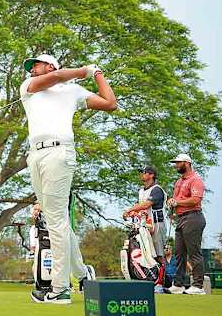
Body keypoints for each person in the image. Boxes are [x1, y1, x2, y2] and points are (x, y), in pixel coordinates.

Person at [20, 55, 116, 304]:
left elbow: (110, 103)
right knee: (56, 219)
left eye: (36, 65)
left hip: (59, 152)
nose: (32, 70)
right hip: (34, 155)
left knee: (55, 221)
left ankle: (60, 288)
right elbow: (54, 78)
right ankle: (83, 274)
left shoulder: (73, 91)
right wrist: (83, 70)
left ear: (50, 65)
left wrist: (97, 73)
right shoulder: (28, 87)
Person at [166, 154, 207, 295]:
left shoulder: (196, 180)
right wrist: (171, 203)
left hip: (193, 217)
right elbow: (175, 199)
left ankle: (198, 286)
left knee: (194, 253)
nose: (176, 165)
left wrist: (178, 202)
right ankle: (178, 284)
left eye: (178, 163)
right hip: (181, 218)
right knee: (179, 253)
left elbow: (195, 200)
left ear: (187, 163)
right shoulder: (178, 182)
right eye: (175, 163)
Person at [123, 166, 168, 258]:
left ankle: (164, 272)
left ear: (151, 175)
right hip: (144, 225)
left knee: (158, 254)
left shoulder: (157, 189)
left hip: (156, 225)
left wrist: (130, 210)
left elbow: (146, 205)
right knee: (145, 253)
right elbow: (138, 205)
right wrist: (131, 213)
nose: (141, 175)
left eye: (144, 172)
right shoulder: (141, 191)